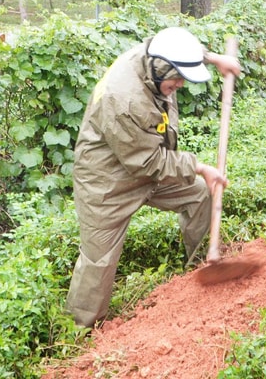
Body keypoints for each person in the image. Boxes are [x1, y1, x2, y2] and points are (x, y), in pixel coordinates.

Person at [65, 27, 241, 329]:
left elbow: (179, 47)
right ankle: (81, 329)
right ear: (159, 71)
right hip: (107, 180)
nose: (181, 85)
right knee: (99, 261)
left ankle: (200, 268)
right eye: (176, 80)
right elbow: (147, 162)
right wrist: (200, 167)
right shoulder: (124, 99)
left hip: (150, 164)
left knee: (199, 194)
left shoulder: (154, 57)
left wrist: (214, 59)